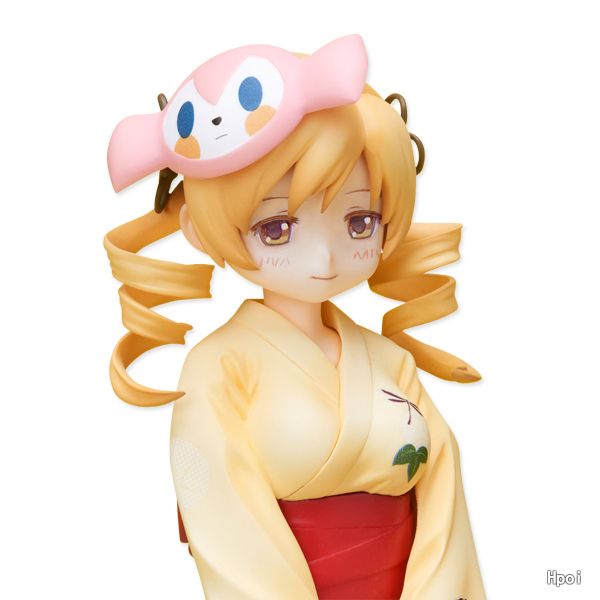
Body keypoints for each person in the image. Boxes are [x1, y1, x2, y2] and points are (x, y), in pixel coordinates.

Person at [104, 34, 485, 599]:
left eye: (359, 222)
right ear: (201, 229)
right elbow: (220, 515)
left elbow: (442, 498)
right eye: (277, 229)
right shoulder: (218, 367)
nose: (326, 258)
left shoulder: (391, 362)